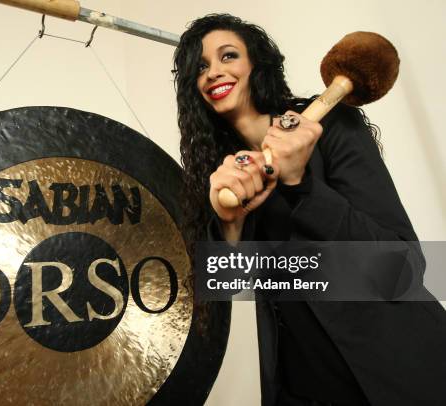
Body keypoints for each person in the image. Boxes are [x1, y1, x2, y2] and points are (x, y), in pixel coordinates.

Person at [173, 13, 446, 406]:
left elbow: (403, 270)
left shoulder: (332, 128)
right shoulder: (226, 177)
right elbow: (225, 294)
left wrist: (303, 184)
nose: (213, 72)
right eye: (200, 67)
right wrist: (230, 225)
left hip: (404, 373)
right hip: (305, 392)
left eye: (228, 56)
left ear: (257, 64)